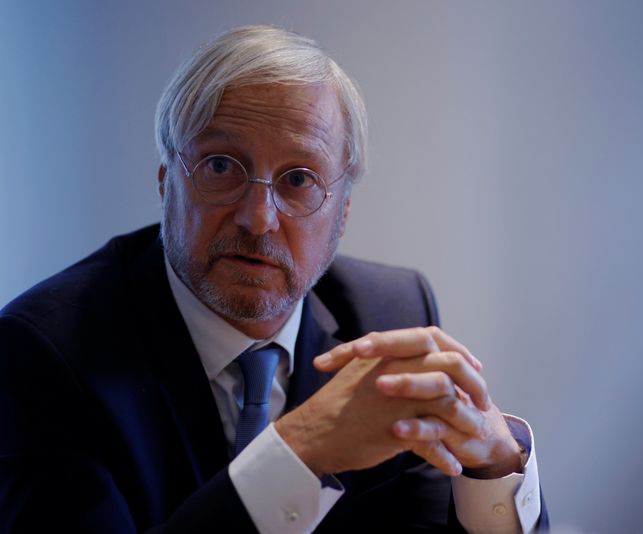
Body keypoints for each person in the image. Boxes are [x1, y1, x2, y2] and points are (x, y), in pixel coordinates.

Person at [0, 25, 548, 533]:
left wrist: (493, 467)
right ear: (166, 181)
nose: (258, 217)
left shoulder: (389, 315)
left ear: (343, 212)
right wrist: (298, 450)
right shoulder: (43, 351)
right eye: (220, 166)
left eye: (299, 179)